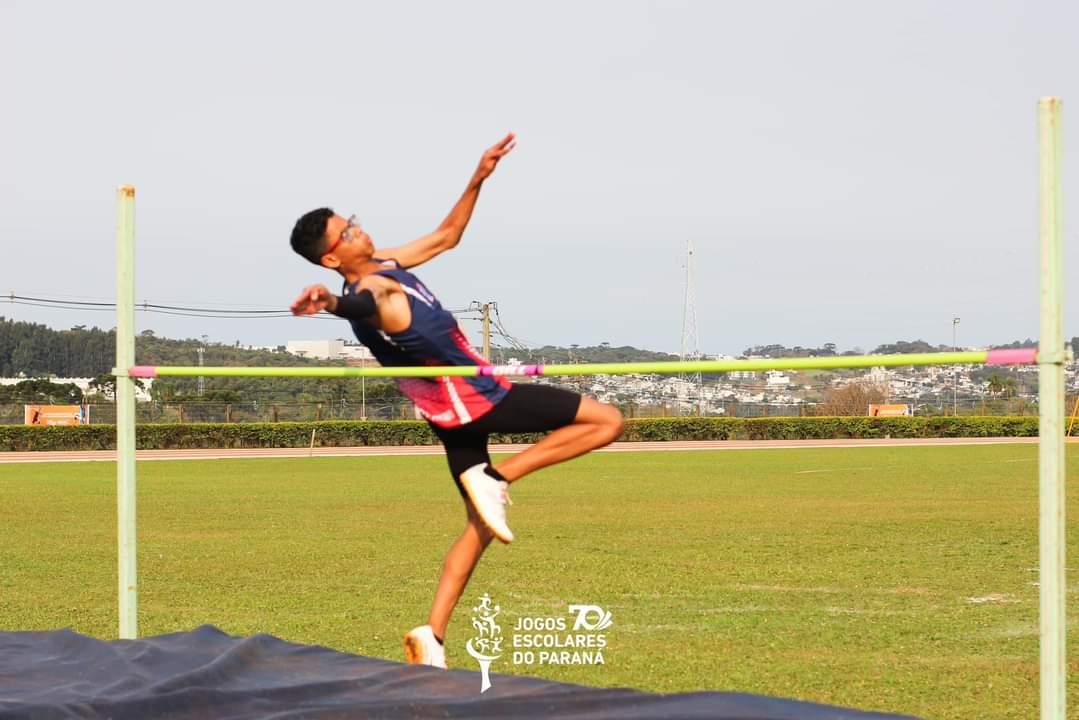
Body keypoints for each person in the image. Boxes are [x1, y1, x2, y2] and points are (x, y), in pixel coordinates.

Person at [287, 133, 623, 669]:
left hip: (449, 416)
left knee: (480, 525)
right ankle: (500, 478)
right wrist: (327, 302)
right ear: (332, 255)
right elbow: (355, 305)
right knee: (607, 420)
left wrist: (478, 177)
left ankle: (432, 633)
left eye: (352, 221)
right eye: (347, 232)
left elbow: (446, 237)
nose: (360, 229)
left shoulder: (388, 265)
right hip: (478, 397)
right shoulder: (375, 291)